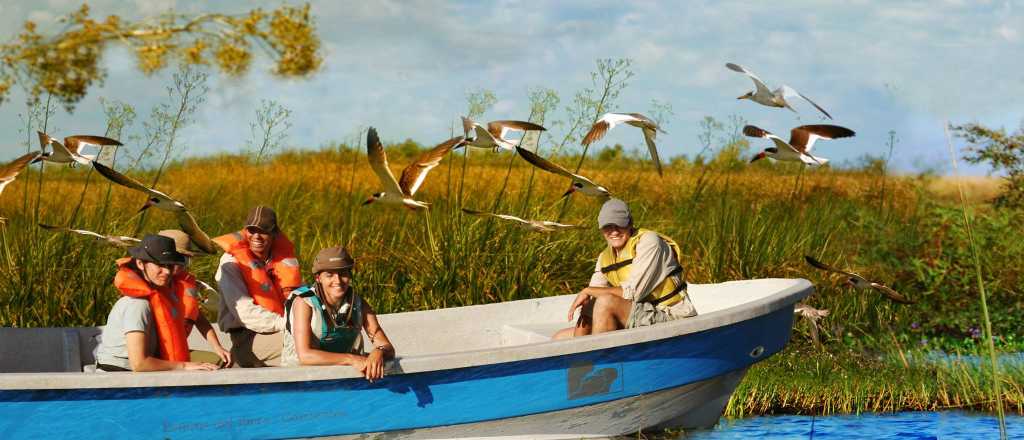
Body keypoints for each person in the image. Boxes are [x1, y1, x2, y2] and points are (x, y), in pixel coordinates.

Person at [554, 198, 697, 339]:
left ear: (630, 224)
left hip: (671, 316)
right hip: (640, 315)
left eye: (619, 225)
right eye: (608, 226)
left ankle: (601, 354)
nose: (614, 231)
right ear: (601, 229)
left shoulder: (649, 242)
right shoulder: (604, 257)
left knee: (605, 302)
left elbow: (634, 293)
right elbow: (590, 300)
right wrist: (579, 340)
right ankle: (584, 354)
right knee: (561, 336)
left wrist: (587, 290)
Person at [93, 235, 220, 372]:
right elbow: (139, 364)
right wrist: (184, 365)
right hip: (119, 372)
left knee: (214, 364)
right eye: (160, 265)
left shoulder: (166, 297)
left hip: (141, 370)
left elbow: (198, 317)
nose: (167, 271)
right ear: (140, 264)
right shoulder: (138, 305)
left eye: (170, 265)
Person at [281, 245, 394, 382]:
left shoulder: (360, 303)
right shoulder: (304, 303)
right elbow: (305, 356)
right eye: (329, 275)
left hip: (341, 370)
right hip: (300, 376)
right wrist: (351, 359)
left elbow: (387, 347)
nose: (338, 281)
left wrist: (379, 351)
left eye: (343, 273)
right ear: (318, 278)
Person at [213, 206, 303, 367]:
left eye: (263, 231)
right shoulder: (231, 262)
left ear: (274, 234)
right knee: (303, 346)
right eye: (251, 230)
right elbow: (245, 313)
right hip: (247, 337)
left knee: (326, 338)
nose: (256, 236)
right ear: (245, 231)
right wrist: (288, 324)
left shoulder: (284, 260)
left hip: (284, 329)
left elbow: (302, 298)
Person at [158, 229, 232, 367]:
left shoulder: (183, 286)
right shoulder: (151, 289)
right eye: (179, 258)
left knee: (224, 360)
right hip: (155, 357)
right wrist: (184, 366)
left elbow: (199, 320)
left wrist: (218, 347)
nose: (182, 265)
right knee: (214, 366)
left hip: (175, 352)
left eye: (186, 260)